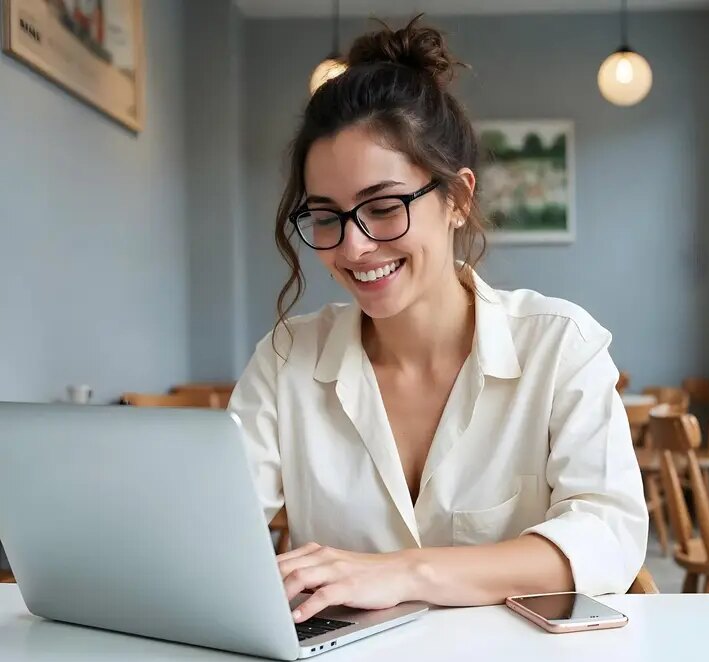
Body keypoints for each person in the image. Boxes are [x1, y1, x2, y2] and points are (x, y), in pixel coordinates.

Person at [230, 17, 647, 625]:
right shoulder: (287, 356)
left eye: (383, 206)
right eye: (326, 216)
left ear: (458, 199)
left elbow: (609, 535)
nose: (353, 246)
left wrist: (402, 571)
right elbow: (213, 526)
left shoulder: (559, 344)